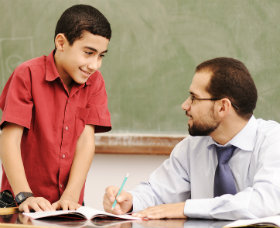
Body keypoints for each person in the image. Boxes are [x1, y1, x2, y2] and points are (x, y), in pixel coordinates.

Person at [103, 57, 280, 220]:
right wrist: (131, 201)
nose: (185, 105)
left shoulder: (273, 140)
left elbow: (265, 201)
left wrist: (185, 208)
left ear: (222, 107)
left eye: (194, 98)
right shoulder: (192, 146)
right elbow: (158, 191)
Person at [0, 4, 112, 212]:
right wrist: (25, 196)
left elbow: (86, 141)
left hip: (66, 205)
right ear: (61, 42)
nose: (95, 65)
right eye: (88, 53)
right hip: (18, 203)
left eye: (101, 56)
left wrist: (71, 194)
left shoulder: (95, 82)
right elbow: (9, 139)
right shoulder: (27, 74)